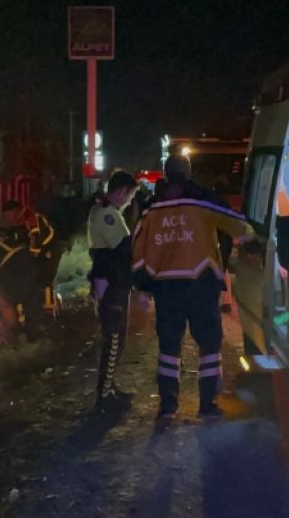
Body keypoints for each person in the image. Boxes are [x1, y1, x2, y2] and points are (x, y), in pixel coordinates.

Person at [132, 154, 254, 421]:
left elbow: (138, 248)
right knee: (209, 345)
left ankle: (167, 406)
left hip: (166, 287)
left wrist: (142, 286)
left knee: (168, 347)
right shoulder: (202, 199)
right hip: (200, 284)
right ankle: (208, 404)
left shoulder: (151, 207)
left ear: (166, 173)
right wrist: (252, 238)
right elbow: (237, 223)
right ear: (188, 173)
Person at [88, 171, 141, 410]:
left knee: (117, 339)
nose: (131, 200)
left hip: (115, 282)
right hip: (112, 285)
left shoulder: (106, 211)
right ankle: (104, 395)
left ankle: (109, 387)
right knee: (114, 339)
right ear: (122, 191)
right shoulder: (107, 215)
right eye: (131, 195)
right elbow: (124, 249)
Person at [0, 199, 60, 319]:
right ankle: (37, 309)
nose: (7, 220)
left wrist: (30, 257)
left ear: (14, 211)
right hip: (41, 251)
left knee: (45, 278)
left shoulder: (30, 218)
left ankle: (48, 314)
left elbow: (35, 240)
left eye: (8, 216)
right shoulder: (19, 221)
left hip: (49, 250)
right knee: (35, 278)